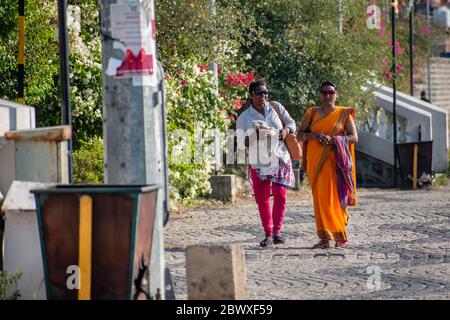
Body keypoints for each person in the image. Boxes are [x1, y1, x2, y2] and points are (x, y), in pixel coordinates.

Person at [297, 81, 358, 249]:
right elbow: (300, 135)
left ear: (336, 94)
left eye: (331, 92)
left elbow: (354, 137)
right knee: (320, 200)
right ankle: (324, 238)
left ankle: (340, 235)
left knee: (335, 199)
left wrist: (334, 140)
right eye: (324, 92)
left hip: (336, 164)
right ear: (320, 94)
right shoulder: (312, 113)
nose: (327, 95)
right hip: (315, 164)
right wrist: (315, 136)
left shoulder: (344, 114)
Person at [236, 79, 296, 247]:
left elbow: (291, 123)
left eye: (266, 93)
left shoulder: (276, 107)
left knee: (280, 194)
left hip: (279, 157)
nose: (264, 95)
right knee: (262, 199)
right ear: (251, 95)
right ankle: (268, 234)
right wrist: (255, 134)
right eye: (260, 93)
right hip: (259, 162)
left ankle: (278, 231)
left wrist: (286, 130)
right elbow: (241, 143)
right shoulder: (244, 118)